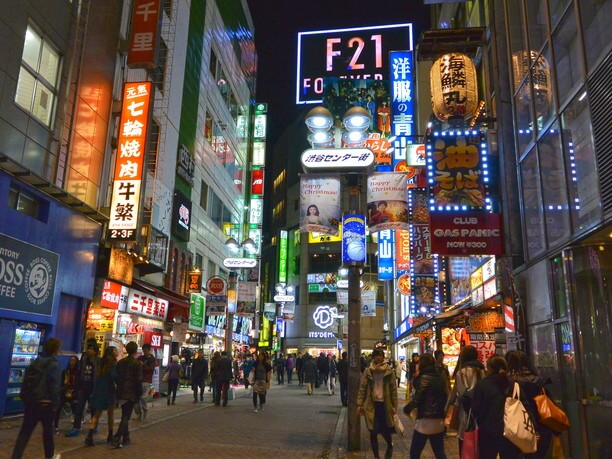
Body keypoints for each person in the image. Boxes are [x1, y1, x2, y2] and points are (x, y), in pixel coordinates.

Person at [12, 337, 62, 459]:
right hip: (45, 404)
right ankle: (49, 456)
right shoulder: (54, 365)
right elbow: (54, 387)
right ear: (55, 349)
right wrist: (55, 404)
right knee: (47, 433)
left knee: (25, 432)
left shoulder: (35, 361)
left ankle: (16, 456)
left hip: (31, 402)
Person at [472, 355, 521, 459]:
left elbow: (476, 409)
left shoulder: (482, 385)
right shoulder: (513, 384)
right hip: (511, 430)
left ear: (489, 368)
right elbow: (523, 404)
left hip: (488, 430)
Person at [506, 350, 552, 458]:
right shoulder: (538, 381)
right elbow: (550, 402)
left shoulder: (508, 383)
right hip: (541, 425)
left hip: (516, 427)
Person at [403, 353, 448, 459]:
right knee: (439, 452)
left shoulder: (424, 378)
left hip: (425, 420)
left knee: (414, 453)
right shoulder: (439, 377)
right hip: (438, 419)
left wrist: (407, 409)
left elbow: (418, 398)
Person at [357, 348, 398, 459]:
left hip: (385, 405)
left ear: (383, 357)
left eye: (380, 355)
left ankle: (390, 445)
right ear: (373, 357)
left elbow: (393, 389)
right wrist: (360, 404)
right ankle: (376, 457)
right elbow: (362, 388)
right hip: (372, 404)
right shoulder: (368, 370)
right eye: (376, 355)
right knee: (373, 431)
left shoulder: (389, 371)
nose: (378, 357)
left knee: (385, 430)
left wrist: (394, 406)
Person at [445, 345, 485, 453]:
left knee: (464, 442)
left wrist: (445, 410)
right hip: (481, 411)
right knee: (478, 442)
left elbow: (458, 394)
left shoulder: (461, 373)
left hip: (465, 412)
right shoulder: (482, 371)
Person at [112, 341, 143, 449]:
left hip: (121, 392)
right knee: (126, 417)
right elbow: (139, 380)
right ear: (135, 351)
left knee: (125, 414)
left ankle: (126, 438)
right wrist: (139, 393)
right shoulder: (138, 364)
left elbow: (116, 377)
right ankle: (116, 438)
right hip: (131, 393)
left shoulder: (120, 362)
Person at [85, 346, 118, 446]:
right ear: (112, 352)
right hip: (109, 391)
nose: (117, 352)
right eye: (115, 350)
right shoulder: (113, 363)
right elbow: (113, 376)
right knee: (110, 414)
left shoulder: (101, 362)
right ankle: (110, 435)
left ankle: (89, 436)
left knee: (96, 414)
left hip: (99, 390)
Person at [66, 340, 100, 437]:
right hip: (83, 387)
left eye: (91, 349)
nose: (89, 351)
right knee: (79, 408)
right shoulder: (84, 359)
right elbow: (79, 372)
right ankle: (76, 427)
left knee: (93, 408)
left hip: (93, 388)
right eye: (88, 349)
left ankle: (94, 426)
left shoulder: (98, 361)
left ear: (95, 351)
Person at [54, 355, 78, 434]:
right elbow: (61, 382)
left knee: (75, 409)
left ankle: (76, 426)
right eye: (71, 360)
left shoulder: (78, 371)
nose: (72, 362)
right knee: (58, 408)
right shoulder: (65, 371)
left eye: (74, 360)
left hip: (73, 392)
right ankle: (55, 426)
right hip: (64, 391)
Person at [135, 343, 156, 421]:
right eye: (143, 351)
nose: (144, 352)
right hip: (138, 380)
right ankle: (138, 414)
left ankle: (145, 410)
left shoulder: (152, 360)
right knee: (136, 398)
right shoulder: (140, 358)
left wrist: (143, 365)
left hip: (146, 381)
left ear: (149, 350)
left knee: (143, 397)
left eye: (146, 350)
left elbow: (150, 370)